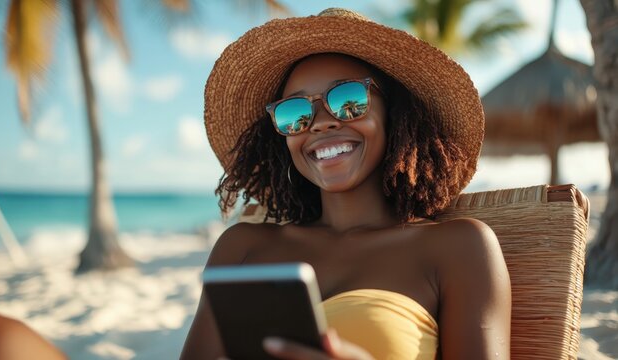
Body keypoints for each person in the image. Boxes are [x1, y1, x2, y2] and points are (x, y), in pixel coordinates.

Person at [182, 7, 511, 360]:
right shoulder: (241, 247)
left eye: (346, 100)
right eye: (295, 113)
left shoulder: (458, 247)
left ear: (395, 113)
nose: (320, 124)